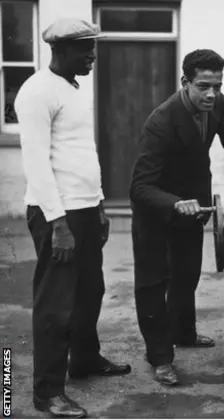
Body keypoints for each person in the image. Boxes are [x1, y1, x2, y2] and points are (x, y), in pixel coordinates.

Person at [15, 18, 131, 418]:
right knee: (56, 305)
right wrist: (58, 223)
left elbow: (81, 154)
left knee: (90, 291)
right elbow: (37, 164)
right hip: (56, 216)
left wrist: (98, 205)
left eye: (93, 47)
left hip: (83, 211)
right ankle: (47, 392)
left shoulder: (72, 88)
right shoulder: (36, 92)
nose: (93, 55)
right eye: (86, 48)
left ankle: (84, 358)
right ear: (60, 50)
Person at [129, 49, 224, 386]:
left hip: (193, 209)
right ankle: (160, 357)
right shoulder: (161, 121)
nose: (211, 94)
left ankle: (183, 333)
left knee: (186, 276)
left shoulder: (218, 103)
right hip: (156, 212)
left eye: (216, 85)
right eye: (203, 86)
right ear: (185, 83)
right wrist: (174, 203)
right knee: (153, 284)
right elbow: (139, 186)